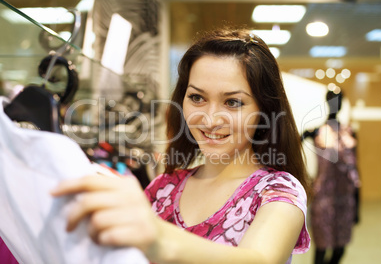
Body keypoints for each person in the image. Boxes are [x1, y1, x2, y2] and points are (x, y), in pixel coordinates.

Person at [51, 28, 311, 264]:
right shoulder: (165, 187)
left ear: (264, 110)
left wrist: (160, 241)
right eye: (197, 97)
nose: (209, 119)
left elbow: (259, 260)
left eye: (232, 102)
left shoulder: (278, 191)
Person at [302, 89, 360, 264]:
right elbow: (291, 153)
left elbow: (356, 170)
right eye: (333, 99)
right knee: (321, 246)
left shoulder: (350, 133)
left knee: (340, 248)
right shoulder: (316, 132)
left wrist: (358, 204)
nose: (337, 103)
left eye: (340, 99)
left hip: (345, 198)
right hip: (323, 198)